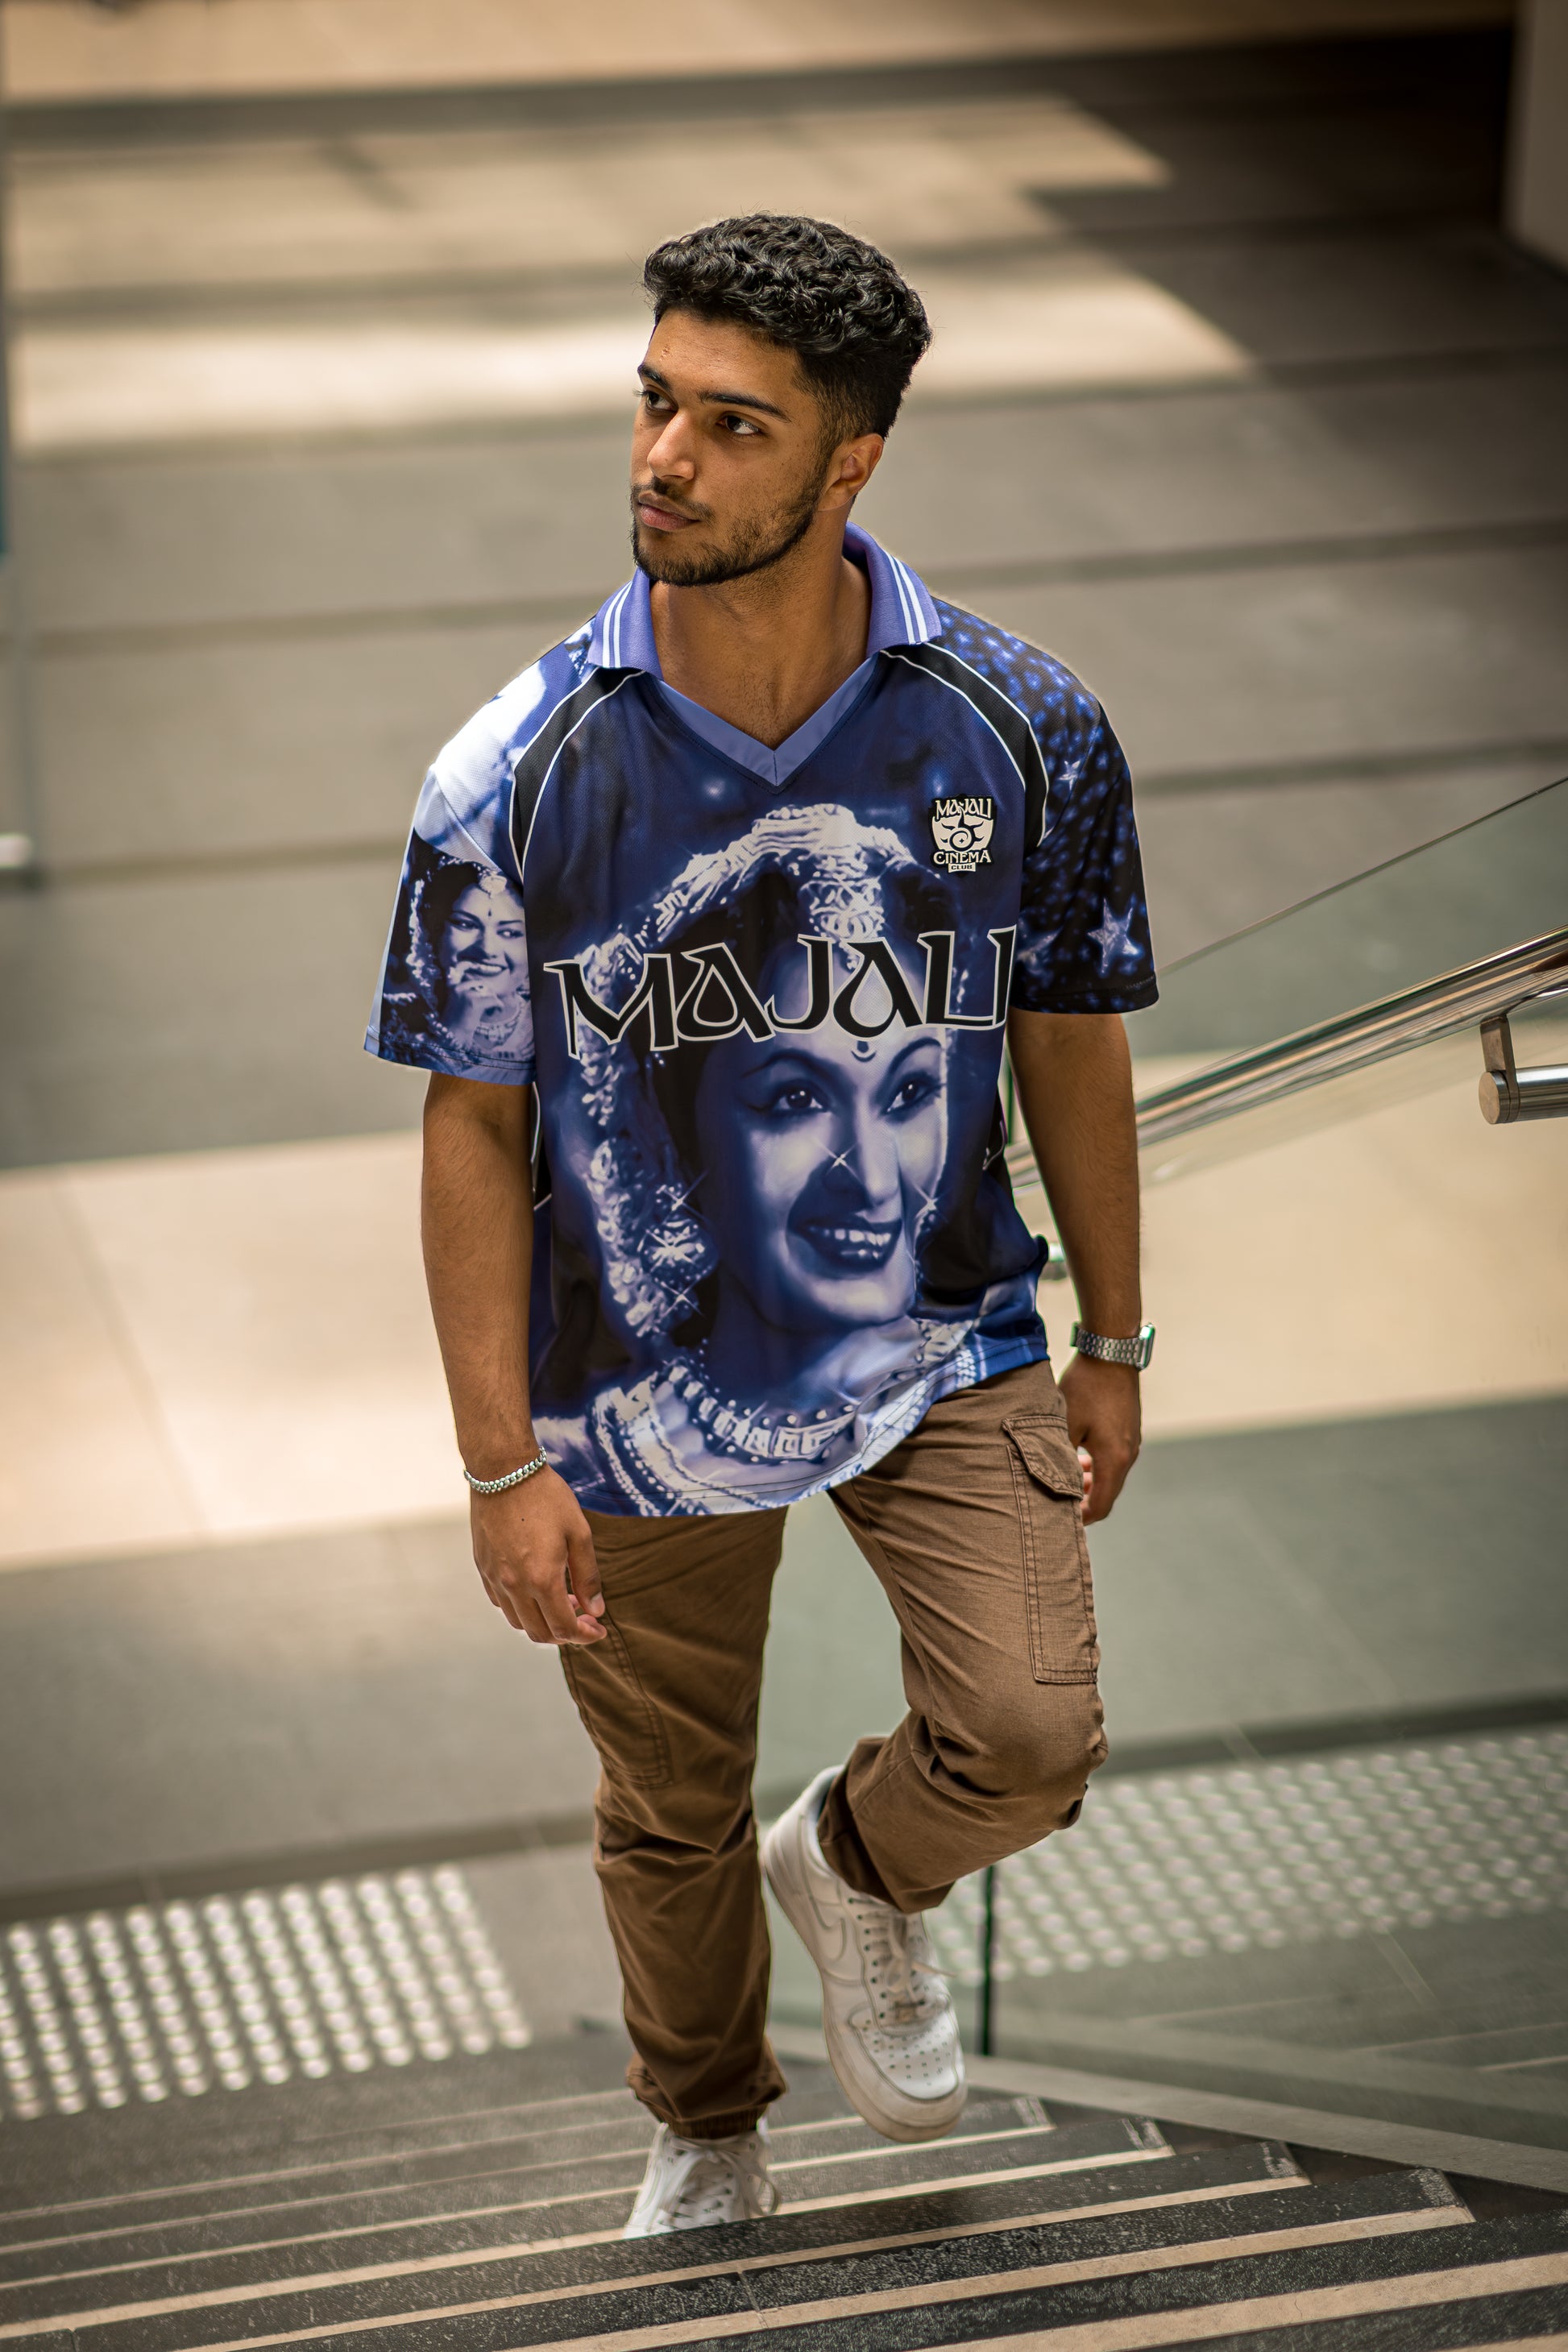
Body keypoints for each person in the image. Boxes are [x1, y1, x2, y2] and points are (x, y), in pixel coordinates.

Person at [367, 213, 1156, 2237]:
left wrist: (1114, 1333)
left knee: (1029, 1732)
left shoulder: (1019, 722)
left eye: (734, 424)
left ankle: (863, 1865)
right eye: (657, 402)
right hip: (628, 1385)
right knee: (667, 1798)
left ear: (850, 458)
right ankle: (707, 2121)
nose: (666, 456)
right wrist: (497, 1460)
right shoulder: (515, 770)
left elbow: (1069, 1030)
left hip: (950, 1324)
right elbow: (470, 1125)